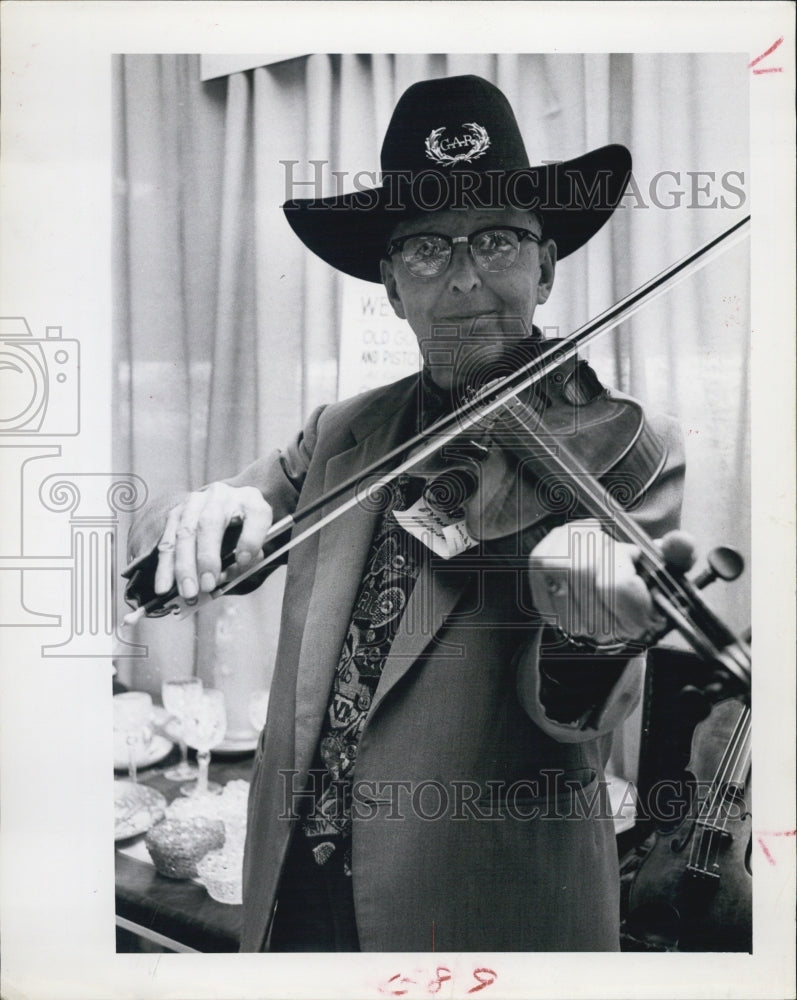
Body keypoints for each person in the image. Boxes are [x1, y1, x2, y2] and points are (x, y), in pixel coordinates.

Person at [124, 75, 687, 952]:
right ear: (391, 285)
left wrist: (595, 631)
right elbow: (180, 539)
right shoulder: (345, 429)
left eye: (497, 240)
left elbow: (579, 710)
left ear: (544, 266)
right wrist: (204, 509)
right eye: (427, 248)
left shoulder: (615, 447)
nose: (464, 279)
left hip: (481, 910)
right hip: (293, 894)